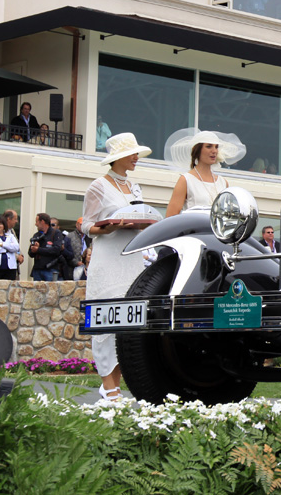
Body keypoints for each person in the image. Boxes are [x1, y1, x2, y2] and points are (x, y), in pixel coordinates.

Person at [82, 132, 153, 401]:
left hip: (131, 257)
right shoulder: (98, 186)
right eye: (132, 153)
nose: (137, 157)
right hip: (108, 258)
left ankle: (116, 383)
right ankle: (107, 385)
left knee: (128, 321)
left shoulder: (135, 188)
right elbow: (87, 225)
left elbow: (140, 215)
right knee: (105, 318)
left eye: (137, 153)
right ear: (118, 157)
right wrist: (109, 227)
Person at [164, 128, 246, 216]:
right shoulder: (186, 180)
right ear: (198, 150)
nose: (214, 151)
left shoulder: (223, 183)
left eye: (216, 147)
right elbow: (170, 217)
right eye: (209, 146)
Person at [28, 213, 63, 282]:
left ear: (42, 222)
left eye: (37, 222)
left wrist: (39, 249)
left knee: (50, 291)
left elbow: (56, 250)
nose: (36, 224)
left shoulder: (56, 233)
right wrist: (34, 249)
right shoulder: (36, 235)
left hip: (50, 269)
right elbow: (30, 253)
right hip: (37, 269)